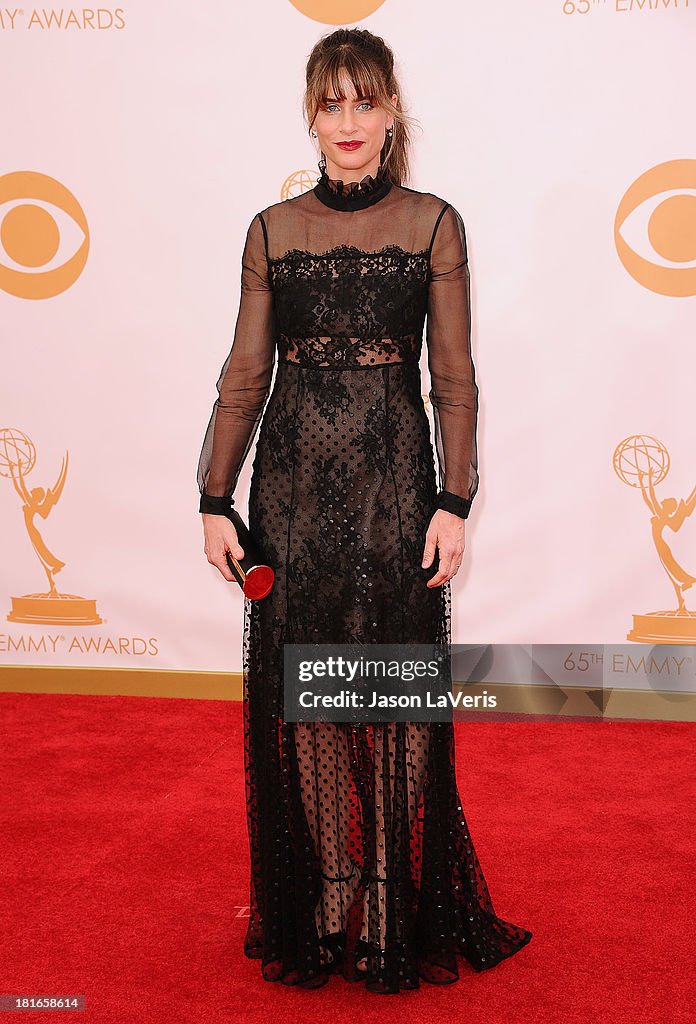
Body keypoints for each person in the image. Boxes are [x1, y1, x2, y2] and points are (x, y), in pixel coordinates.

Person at [197, 27, 532, 994]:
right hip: (292, 495)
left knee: (392, 694)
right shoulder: (271, 229)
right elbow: (245, 376)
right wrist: (216, 497)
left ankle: (390, 887)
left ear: (392, 113)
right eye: (331, 103)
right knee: (306, 696)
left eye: (364, 101)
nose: (348, 122)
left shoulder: (434, 223)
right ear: (311, 115)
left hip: (395, 491)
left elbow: (454, 379)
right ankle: (334, 881)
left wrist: (454, 498)